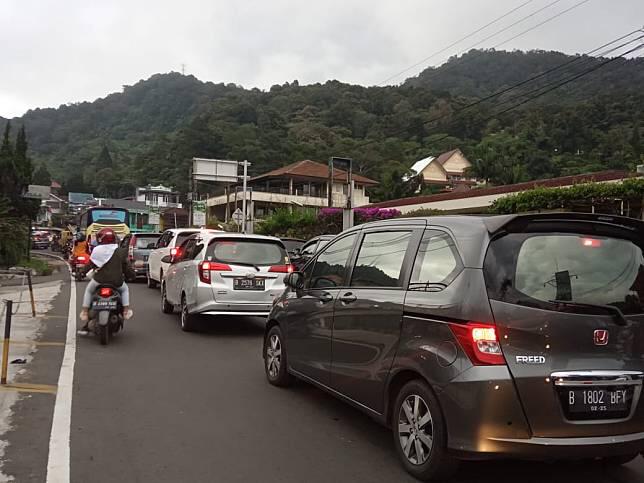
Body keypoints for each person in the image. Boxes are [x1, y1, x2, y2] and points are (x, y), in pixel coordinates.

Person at [78, 228, 135, 335]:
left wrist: (81, 273)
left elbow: (90, 265)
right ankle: (126, 311)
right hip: (116, 282)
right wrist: (132, 275)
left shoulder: (97, 250)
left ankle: (85, 312)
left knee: (89, 290)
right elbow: (126, 266)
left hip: (99, 280)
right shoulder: (119, 251)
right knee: (125, 289)